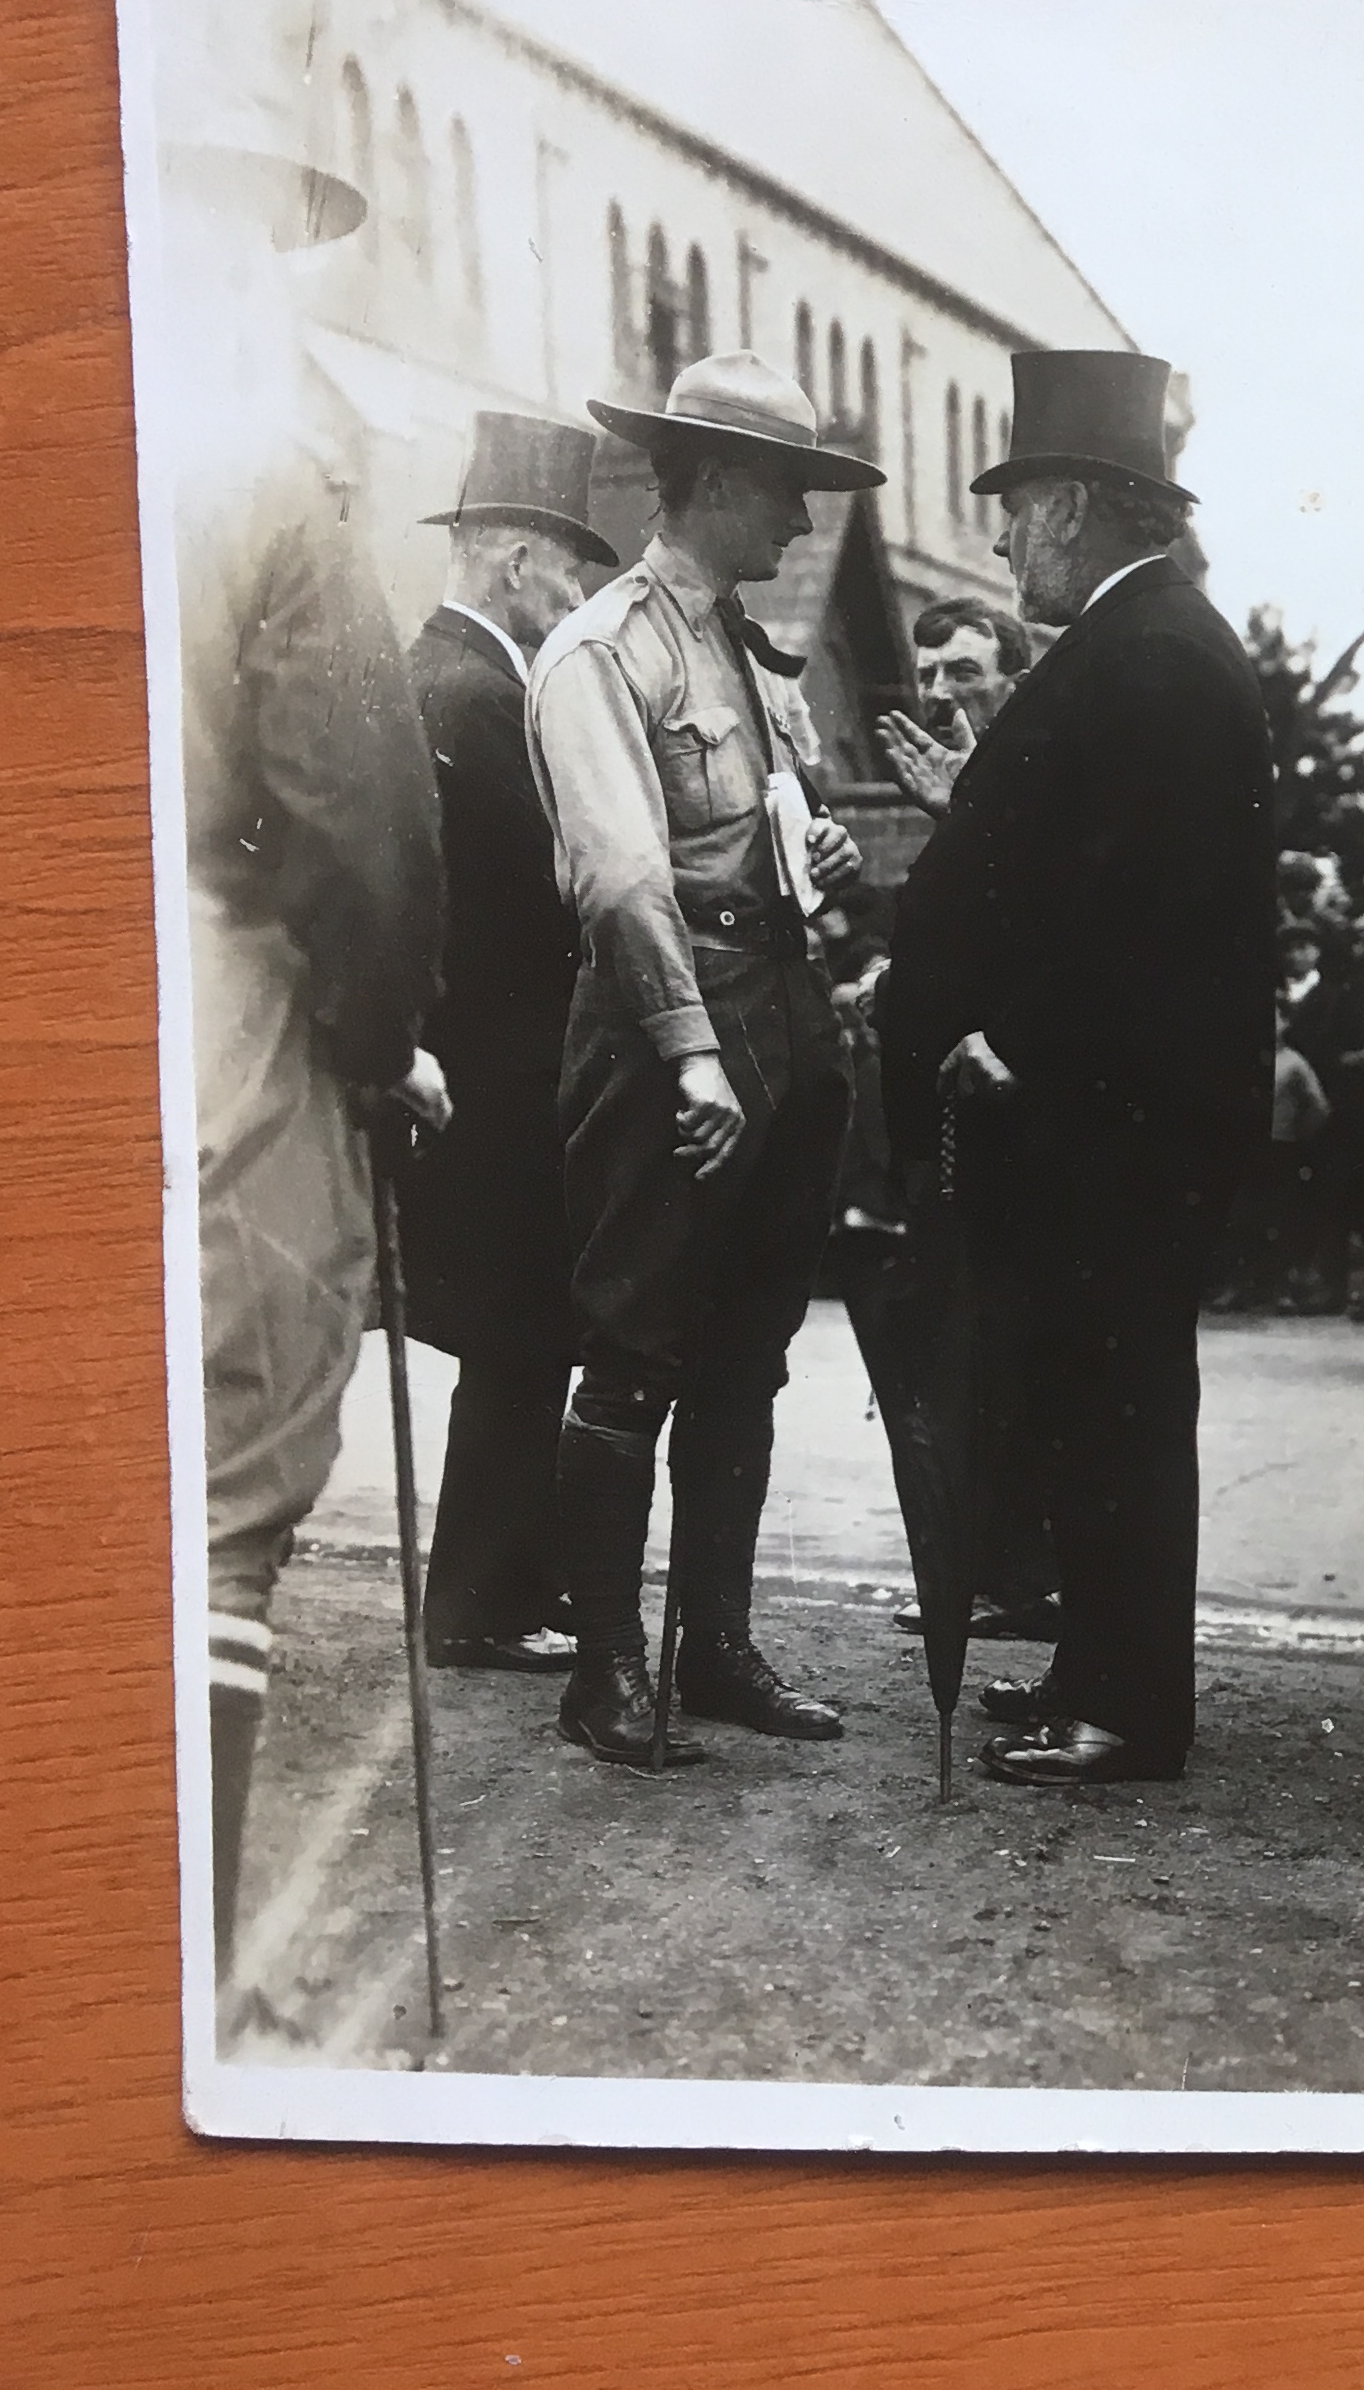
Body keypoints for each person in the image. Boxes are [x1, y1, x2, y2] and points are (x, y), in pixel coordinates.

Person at [876, 351, 1274, 1787]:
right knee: (1099, 1397)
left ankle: (1126, 1708)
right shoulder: (1151, 643)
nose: (999, 537)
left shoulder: (1147, 658)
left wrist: (1009, 1037)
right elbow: (1077, 870)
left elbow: (1128, 919)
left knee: (1115, 1403)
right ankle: (1092, 1672)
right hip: (1126, 1116)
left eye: (1018, 505)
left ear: (1087, 510)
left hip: (1121, 1123)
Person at [161, 90, 449, 1969]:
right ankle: (177, 1982)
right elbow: (356, 814)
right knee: (222, 1497)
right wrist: (380, 1037)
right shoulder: (264, 473)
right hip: (215, 993)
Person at [531, 352, 875, 1768]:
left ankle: (713, 1649)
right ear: (719, 481)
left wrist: (817, 863)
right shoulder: (601, 651)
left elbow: (746, 834)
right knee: (636, 1345)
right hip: (672, 1031)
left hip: (779, 1016)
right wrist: (690, 1057)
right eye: (788, 488)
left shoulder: (743, 647)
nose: (802, 520)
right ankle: (607, 1669)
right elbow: (620, 882)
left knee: (748, 1355)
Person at [396, 413, 617, 1673]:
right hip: (503, 1076)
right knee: (524, 1334)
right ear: (512, 560)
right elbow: (548, 902)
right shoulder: (482, 701)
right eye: (566, 566)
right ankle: (485, 1601)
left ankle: (508, 1581)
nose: (574, 593)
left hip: (474, 1071)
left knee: (518, 1336)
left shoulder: (441, 681)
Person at [877, 592, 1037, 816]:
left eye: (963, 673)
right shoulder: (935, 784)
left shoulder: (1050, 781)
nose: (937, 693)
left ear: (1018, 689)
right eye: (927, 676)